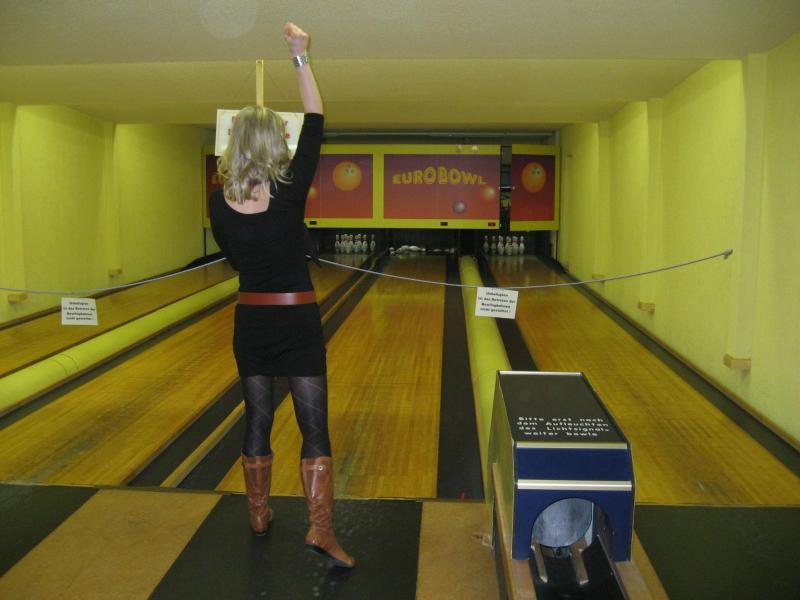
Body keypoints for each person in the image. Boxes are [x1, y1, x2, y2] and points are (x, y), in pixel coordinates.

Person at [209, 22, 354, 569]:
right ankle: (320, 530)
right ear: (274, 144)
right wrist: (300, 56)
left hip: (250, 323)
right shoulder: (288, 189)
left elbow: (235, 260)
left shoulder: (218, 202)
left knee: (257, 420)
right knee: (314, 427)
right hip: (297, 323)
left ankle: (258, 514)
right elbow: (316, 117)